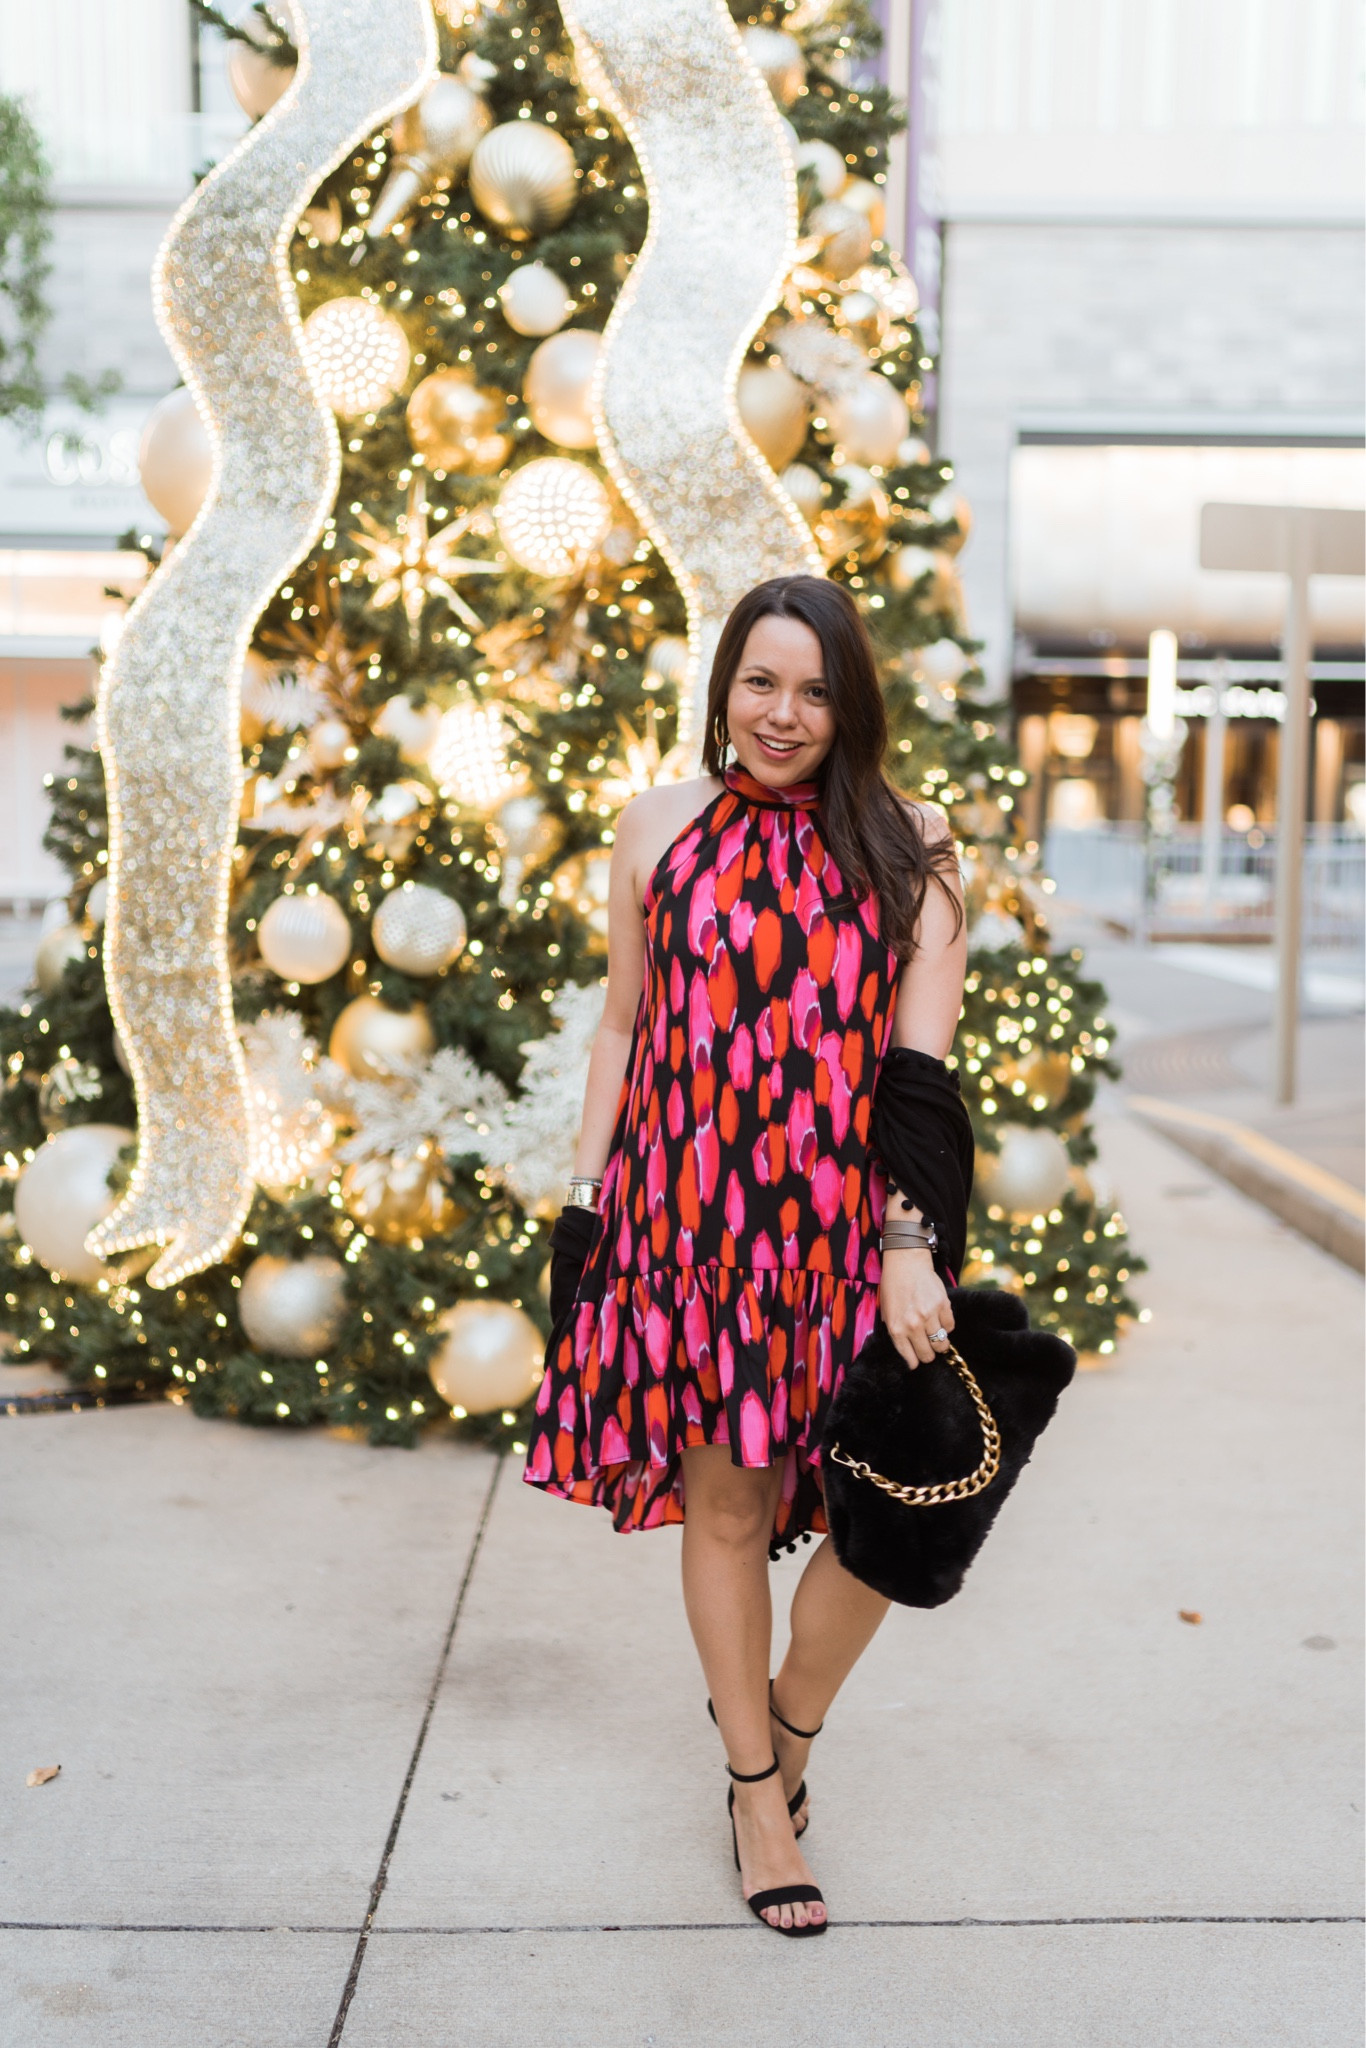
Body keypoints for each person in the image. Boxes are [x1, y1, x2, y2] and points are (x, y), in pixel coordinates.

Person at [524, 575, 966, 1936]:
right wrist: (587, 1200)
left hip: (848, 1236)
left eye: (814, 690)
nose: (783, 714)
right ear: (723, 686)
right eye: (760, 682)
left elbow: (919, 1073)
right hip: (690, 1224)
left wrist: (908, 1243)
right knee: (724, 1511)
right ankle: (754, 1792)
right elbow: (622, 1023)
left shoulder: (913, 842)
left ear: (852, 704)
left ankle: (789, 1722)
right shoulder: (655, 825)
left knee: (894, 1512)